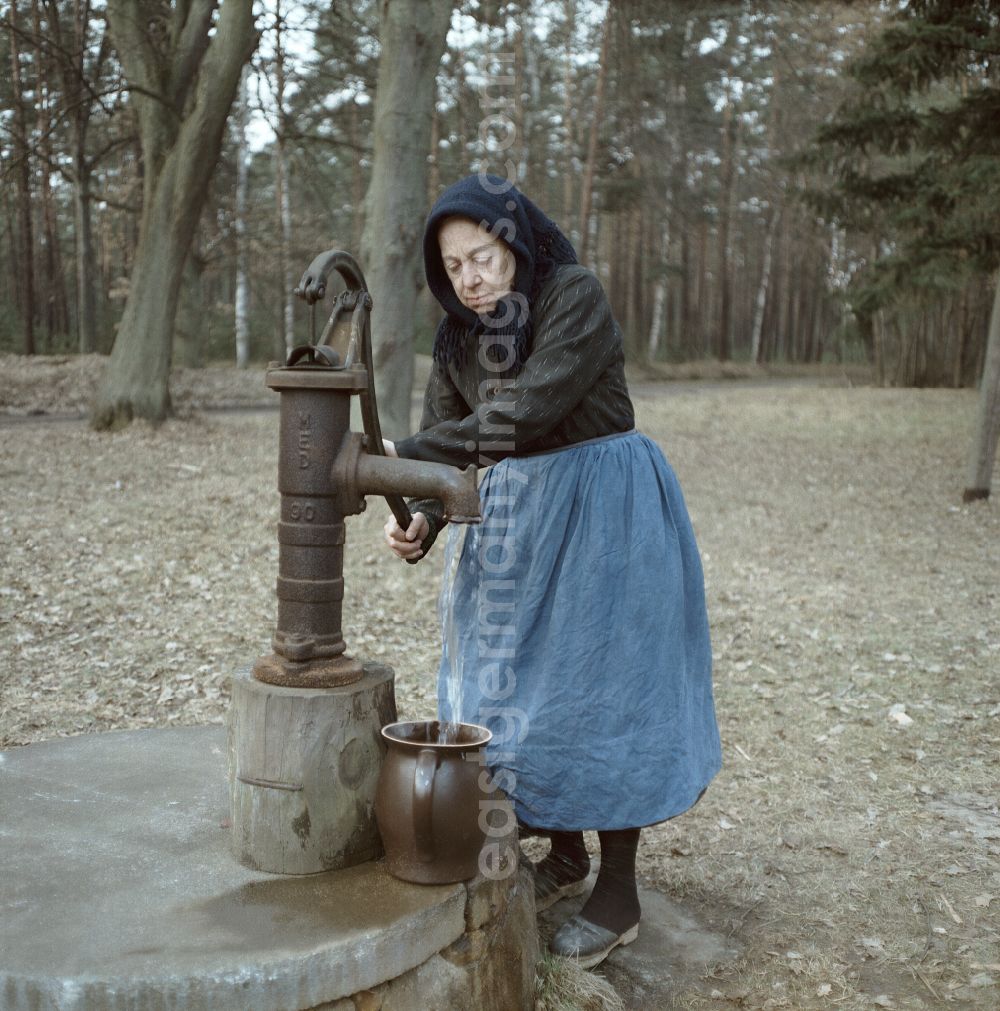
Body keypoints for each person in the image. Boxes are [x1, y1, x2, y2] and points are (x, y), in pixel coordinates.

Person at [382, 173, 721, 969]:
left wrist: (405, 453)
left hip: (606, 515)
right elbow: (450, 444)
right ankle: (562, 853)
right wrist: (424, 518)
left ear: (517, 243)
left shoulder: (573, 296)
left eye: (483, 255)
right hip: (514, 531)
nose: (470, 278)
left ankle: (619, 891)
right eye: (454, 266)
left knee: (603, 693)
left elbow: (523, 411)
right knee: (519, 693)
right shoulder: (457, 340)